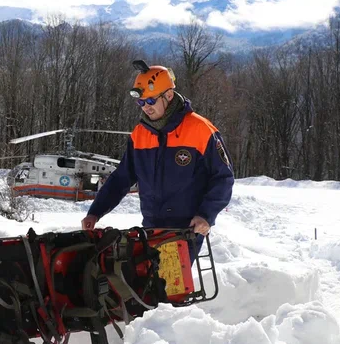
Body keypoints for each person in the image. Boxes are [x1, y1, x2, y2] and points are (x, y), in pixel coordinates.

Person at [81, 63, 233, 261]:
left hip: (187, 229)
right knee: (146, 283)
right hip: (151, 227)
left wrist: (206, 215)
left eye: (151, 100)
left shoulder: (201, 129)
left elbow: (223, 177)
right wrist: (95, 212)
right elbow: (121, 178)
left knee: (168, 287)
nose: (146, 107)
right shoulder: (140, 135)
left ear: (169, 95)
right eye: (141, 103)